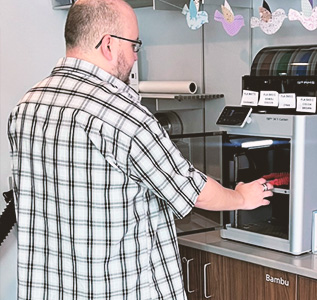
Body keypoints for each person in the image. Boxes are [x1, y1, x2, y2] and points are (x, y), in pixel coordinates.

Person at [7, 0, 273, 299]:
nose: (135, 56)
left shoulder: (28, 105)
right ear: (108, 44)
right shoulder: (121, 114)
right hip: (116, 289)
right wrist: (241, 197)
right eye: (135, 45)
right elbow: (192, 190)